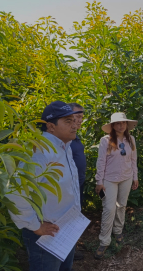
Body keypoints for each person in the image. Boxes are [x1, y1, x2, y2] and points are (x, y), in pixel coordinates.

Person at [7, 101, 83, 271]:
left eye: (74, 120)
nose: (75, 125)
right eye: (68, 121)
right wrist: (35, 226)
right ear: (50, 126)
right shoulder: (40, 151)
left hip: (65, 229)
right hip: (46, 235)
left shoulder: (65, 147)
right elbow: (15, 192)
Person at [94, 112, 139, 259]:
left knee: (122, 205)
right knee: (109, 208)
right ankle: (104, 240)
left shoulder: (131, 139)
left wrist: (135, 177)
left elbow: (133, 160)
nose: (121, 125)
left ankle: (118, 230)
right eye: (118, 123)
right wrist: (99, 181)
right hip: (109, 179)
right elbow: (101, 162)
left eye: (123, 123)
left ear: (126, 125)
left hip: (126, 177)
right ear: (113, 125)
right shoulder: (105, 140)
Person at [68, 102, 86, 261]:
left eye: (81, 117)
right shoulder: (63, 139)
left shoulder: (75, 137)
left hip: (77, 186)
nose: (80, 120)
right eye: (77, 117)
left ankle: (71, 252)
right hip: (68, 190)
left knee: (74, 220)